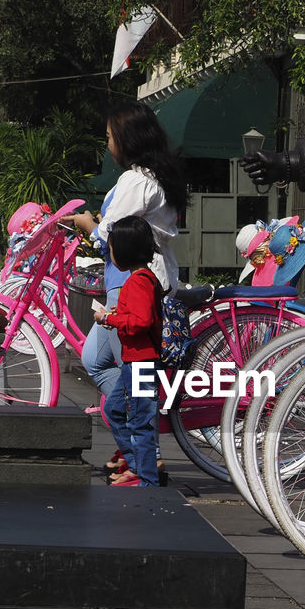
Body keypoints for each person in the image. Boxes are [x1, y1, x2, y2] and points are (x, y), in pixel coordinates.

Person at [71, 101, 187, 402]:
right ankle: (131, 417)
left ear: (127, 139)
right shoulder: (154, 177)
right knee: (95, 361)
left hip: (130, 282)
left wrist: (88, 225)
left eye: (110, 136)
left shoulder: (135, 180)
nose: (108, 144)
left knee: (132, 369)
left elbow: (111, 231)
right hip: (141, 278)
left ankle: (140, 429)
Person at [93, 216, 163, 487]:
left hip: (141, 364)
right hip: (135, 363)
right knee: (114, 410)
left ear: (123, 252)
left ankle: (147, 481)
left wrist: (109, 319)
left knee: (141, 424)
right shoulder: (144, 278)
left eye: (111, 250)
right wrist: (118, 313)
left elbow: (141, 322)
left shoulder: (138, 282)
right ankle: (137, 466)